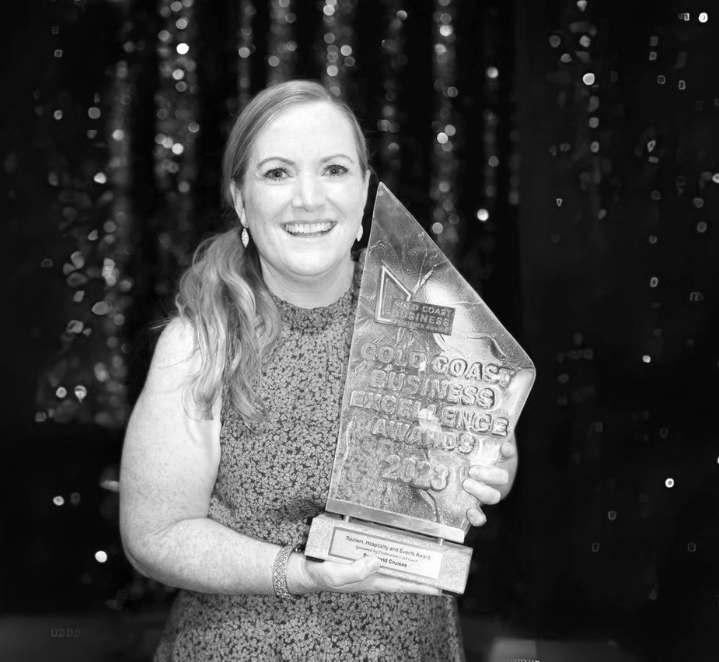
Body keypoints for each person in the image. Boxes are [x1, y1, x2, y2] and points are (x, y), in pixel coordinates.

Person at [118, 79, 518, 661]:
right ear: (240, 201)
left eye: (333, 170)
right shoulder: (201, 343)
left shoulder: (431, 318)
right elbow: (155, 537)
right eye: (277, 173)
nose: (309, 198)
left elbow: (479, 444)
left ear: (364, 193)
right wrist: (302, 572)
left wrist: (489, 463)